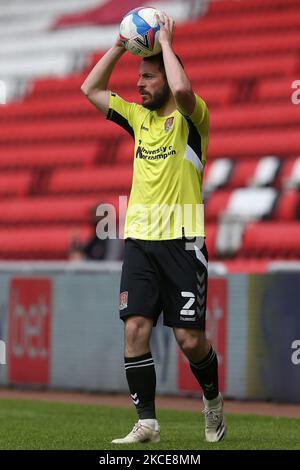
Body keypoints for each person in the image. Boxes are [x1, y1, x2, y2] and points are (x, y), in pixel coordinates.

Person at [81, 12, 226, 444]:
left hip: (184, 239)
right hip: (141, 241)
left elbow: (181, 88)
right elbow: (90, 88)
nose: (139, 84)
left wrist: (163, 43)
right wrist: (121, 45)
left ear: (165, 75)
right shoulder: (137, 119)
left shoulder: (192, 119)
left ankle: (213, 401)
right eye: (138, 77)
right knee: (134, 328)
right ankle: (147, 422)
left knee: (189, 338)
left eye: (147, 77)